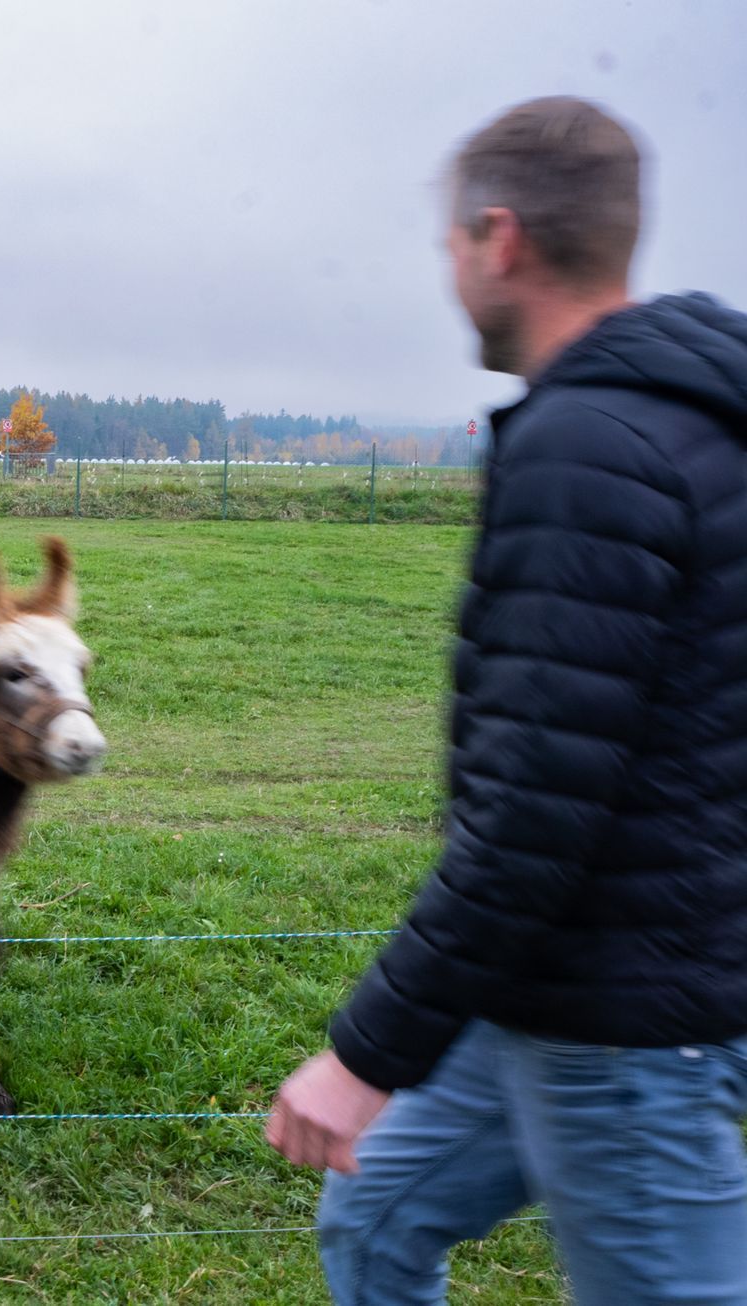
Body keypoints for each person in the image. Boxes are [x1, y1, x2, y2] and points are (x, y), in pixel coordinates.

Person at [266, 96, 747, 1304]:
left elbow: (533, 809)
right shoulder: (699, 420)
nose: (449, 272)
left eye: (449, 246)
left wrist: (363, 1056)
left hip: (622, 1022)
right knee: (375, 1214)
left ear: (499, 237)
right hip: (559, 981)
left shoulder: (590, 446)